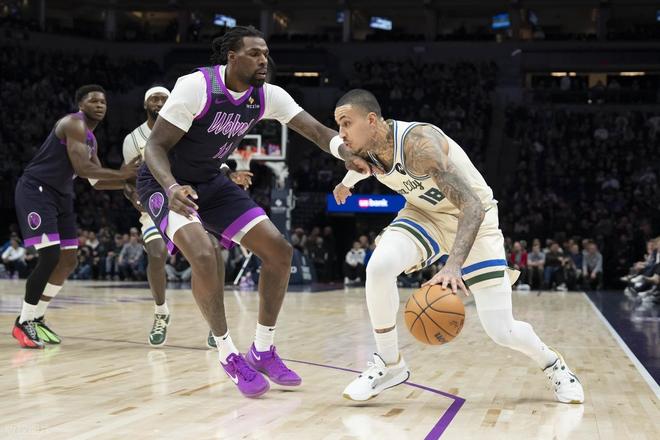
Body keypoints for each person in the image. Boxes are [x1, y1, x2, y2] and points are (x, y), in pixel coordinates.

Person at [136, 26, 371, 398]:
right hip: (165, 183)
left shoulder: (267, 95)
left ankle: (262, 349)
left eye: (265, 53)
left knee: (279, 251)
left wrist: (345, 153)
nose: (264, 60)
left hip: (211, 180)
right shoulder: (196, 87)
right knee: (205, 254)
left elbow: (314, 130)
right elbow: (155, 148)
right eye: (255, 53)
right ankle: (228, 353)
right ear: (232, 57)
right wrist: (171, 187)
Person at [332, 89, 583, 404]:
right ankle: (389, 364)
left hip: (474, 218)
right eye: (338, 125)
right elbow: (361, 166)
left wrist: (452, 266)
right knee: (379, 267)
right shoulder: (367, 147)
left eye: (346, 123)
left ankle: (554, 365)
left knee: (501, 330)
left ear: (371, 120)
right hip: (424, 215)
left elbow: (472, 207)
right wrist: (345, 184)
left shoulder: (419, 145)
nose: (341, 133)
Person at [12, 84, 139, 349]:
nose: (100, 105)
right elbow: (83, 169)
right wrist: (124, 175)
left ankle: (37, 317)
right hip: (37, 191)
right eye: (94, 101)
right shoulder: (73, 123)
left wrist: (126, 185)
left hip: (61, 196)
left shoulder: (91, 139)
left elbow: (96, 181)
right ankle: (23, 322)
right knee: (50, 255)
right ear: (81, 105)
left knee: (69, 260)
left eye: (103, 102)